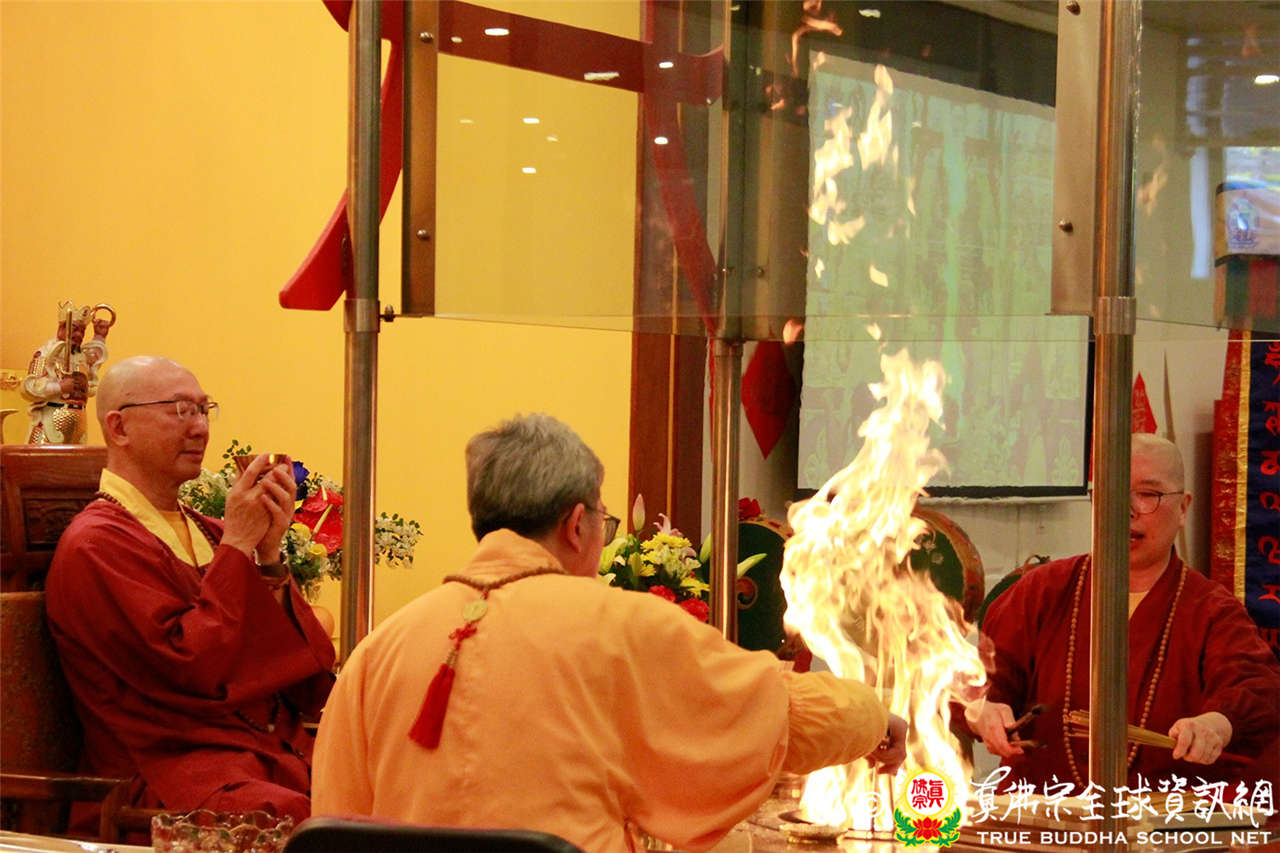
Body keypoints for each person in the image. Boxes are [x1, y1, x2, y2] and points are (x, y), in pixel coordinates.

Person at [312, 413, 908, 853]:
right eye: (604, 519)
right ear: (577, 524)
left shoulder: (377, 652)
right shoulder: (620, 626)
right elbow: (779, 715)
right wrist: (875, 717)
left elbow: (335, 823)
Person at [45, 355, 336, 824]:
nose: (200, 427)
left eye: (204, 409)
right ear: (119, 427)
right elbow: (193, 668)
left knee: (388, 787)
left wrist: (268, 557)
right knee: (297, 818)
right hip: (170, 776)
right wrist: (238, 546)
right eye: (180, 409)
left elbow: (306, 677)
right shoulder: (95, 544)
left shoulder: (211, 532)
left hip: (264, 754)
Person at [969, 433, 1280, 790]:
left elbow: (1257, 691)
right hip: (1041, 813)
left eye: (1148, 494)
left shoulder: (1211, 610)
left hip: (1159, 818)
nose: (1126, 510)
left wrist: (1215, 724)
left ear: (1183, 508)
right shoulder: (1042, 591)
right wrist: (981, 710)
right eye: (1111, 492)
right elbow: (973, 683)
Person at [21, 302, 111, 444]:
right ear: (62, 328)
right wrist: (59, 387)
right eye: (74, 329)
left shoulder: (81, 357)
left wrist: (99, 337)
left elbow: (94, 358)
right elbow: (29, 388)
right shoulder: (46, 354)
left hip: (78, 422)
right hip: (51, 422)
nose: (79, 334)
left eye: (82, 330)